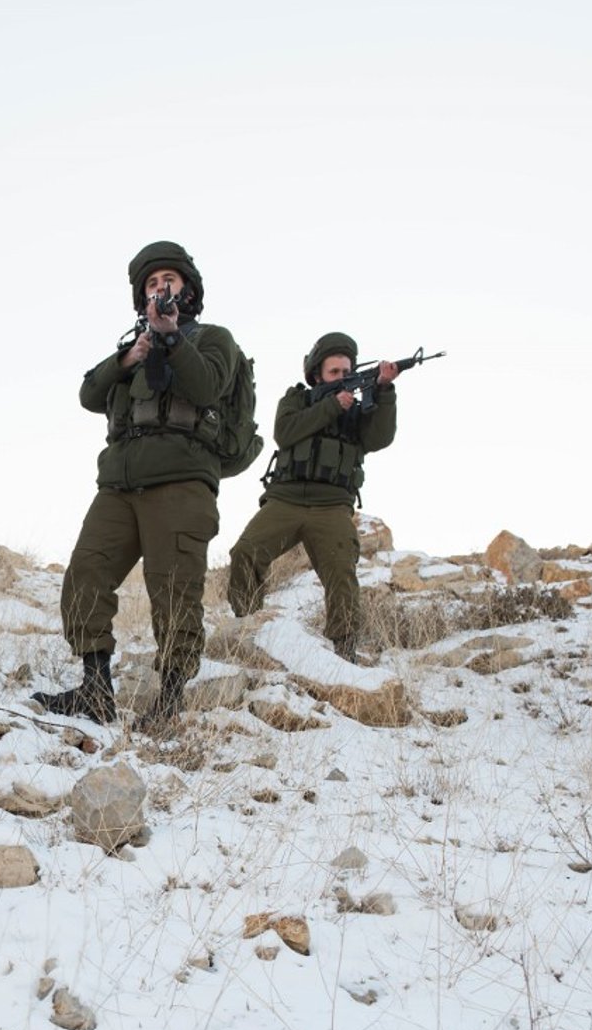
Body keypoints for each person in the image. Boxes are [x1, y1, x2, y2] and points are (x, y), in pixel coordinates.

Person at [33, 241, 259, 729]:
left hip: (181, 482)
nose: (161, 288)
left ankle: (171, 698)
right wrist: (128, 357)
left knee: (175, 591)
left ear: (189, 291)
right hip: (119, 485)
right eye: (153, 284)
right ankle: (95, 690)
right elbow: (89, 394)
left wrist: (173, 341)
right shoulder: (133, 348)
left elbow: (205, 388)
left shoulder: (214, 338)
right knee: (85, 575)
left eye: (169, 281)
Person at [227, 332, 397, 661]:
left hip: (332, 506)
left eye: (347, 372)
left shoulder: (359, 411)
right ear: (318, 375)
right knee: (245, 553)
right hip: (285, 500)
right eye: (335, 373)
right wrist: (334, 405)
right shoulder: (297, 400)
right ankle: (249, 628)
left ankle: (344, 651)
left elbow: (379, 438)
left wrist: (385, 390)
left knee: (342, 575)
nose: (342, 378)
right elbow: (285, 433)